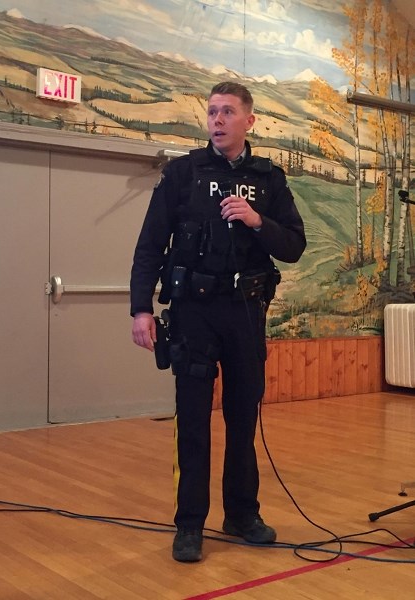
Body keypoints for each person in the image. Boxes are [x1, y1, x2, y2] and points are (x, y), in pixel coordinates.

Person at [130, 81, 306, 562]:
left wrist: (255, 221)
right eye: (212, 112)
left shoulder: (268, 180)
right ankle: (190, 525)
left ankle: (242, 514)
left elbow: (293, 246)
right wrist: (140, 308)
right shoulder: (184, 174)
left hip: (245, 314)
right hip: (193, 315)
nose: (218, 120)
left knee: (242, 417)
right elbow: (149, 246)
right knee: (191, 420)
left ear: (250, 120)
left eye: (228, 111)